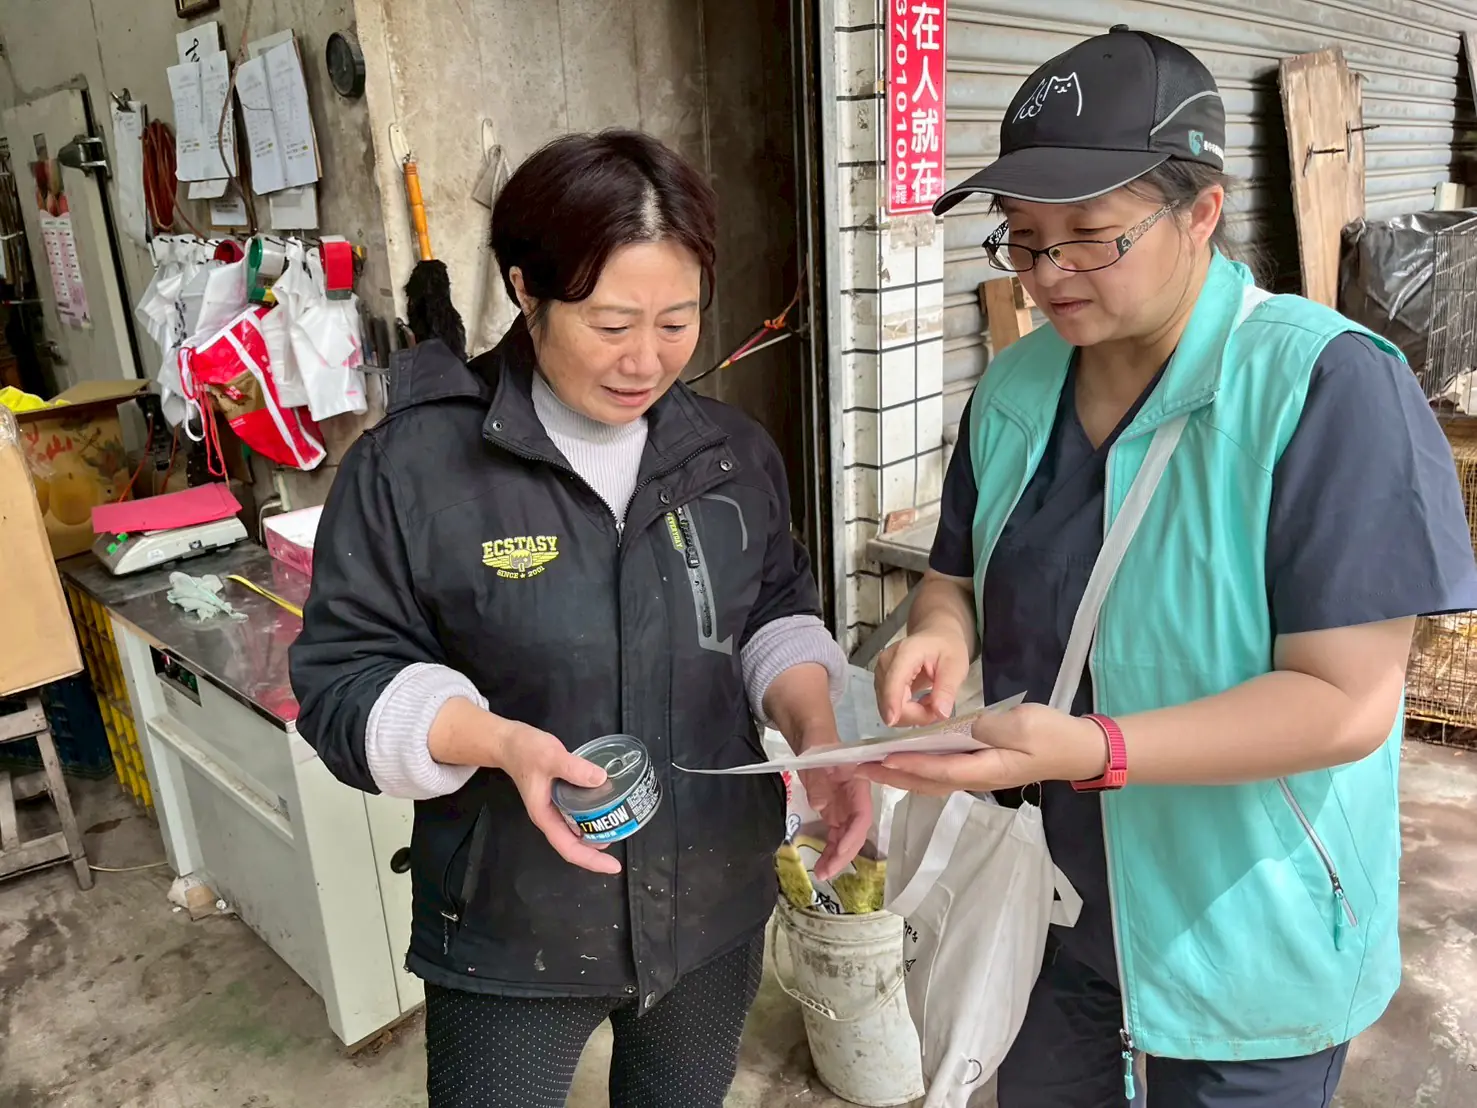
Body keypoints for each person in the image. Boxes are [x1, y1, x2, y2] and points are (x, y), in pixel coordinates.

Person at [863, 25, 1477, 1108]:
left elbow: (1342, 703)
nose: (1048, 274)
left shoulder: (1323, 391)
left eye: (1090, 237)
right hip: (1044, 916)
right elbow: (956, 574)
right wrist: (936, 637)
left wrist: (1093, 747)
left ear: (1200, 211)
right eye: (1022, 238)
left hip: (1240, 935)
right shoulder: (1015, 391)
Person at [290, 130, 871, 1108]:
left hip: (713, 900)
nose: (646, 359)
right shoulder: (414, 469)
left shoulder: (728, 453)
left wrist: (820, 735)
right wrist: (493, 740)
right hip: (513, 923)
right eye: (610, 324)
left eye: (677, 320)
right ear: (526, 289)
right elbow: (345, 684)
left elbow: (773, 605)